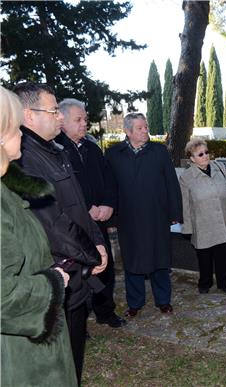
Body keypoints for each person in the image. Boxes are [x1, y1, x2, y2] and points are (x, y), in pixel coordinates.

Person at [13, 82, 107, 384]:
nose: (59, 118)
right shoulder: (24, 158)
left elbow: (78, 203)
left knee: (73, 357)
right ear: (29, 115)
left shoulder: (56, 150)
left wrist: (96, 240)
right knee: (57, 368)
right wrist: (91, 254)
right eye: (53, 111)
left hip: (77, 271)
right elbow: (53, 222)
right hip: (57, 274)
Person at [0, 86, 77, 386]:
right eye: (15, 127)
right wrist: (53, 283)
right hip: (19, 362)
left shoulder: (9, 187)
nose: (22, 133)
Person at [55, 98, 126, 329]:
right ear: (62, 121)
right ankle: (79, 321)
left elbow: (110, 180)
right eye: (79, 119)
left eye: (85, 119)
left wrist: (107, 205)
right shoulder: (56, 151)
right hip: (74, 224)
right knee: (78, 272)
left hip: (100, 222)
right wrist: (86, 209)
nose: (84, 123)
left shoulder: (92, 148)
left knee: (104, 267)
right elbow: (61, 191)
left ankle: (105, 311)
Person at [105, 113, 182, 317]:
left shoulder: (159, 151)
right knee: (133, 262)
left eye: (145, 127)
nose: (145, 131)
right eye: (140, 128)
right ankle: (135, 303)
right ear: (128, 131)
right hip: (128, 219)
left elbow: (171, 183)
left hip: (157, 216)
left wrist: (175, 212)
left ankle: (163, 300)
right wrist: (111, 219)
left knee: (160, 259)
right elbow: (109, 188)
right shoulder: (114, 154)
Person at [179, 138, 226, 294]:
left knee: (223, 253)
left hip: (223, 219)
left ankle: (224, 282)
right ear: (192, 158)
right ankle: (205, 282)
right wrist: (187, 228)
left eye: (206, 152)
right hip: (202, 222)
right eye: (200, 154)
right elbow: (185, 204)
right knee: (204, 255)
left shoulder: (219, 167)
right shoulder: (186, 177)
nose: (205, 156)